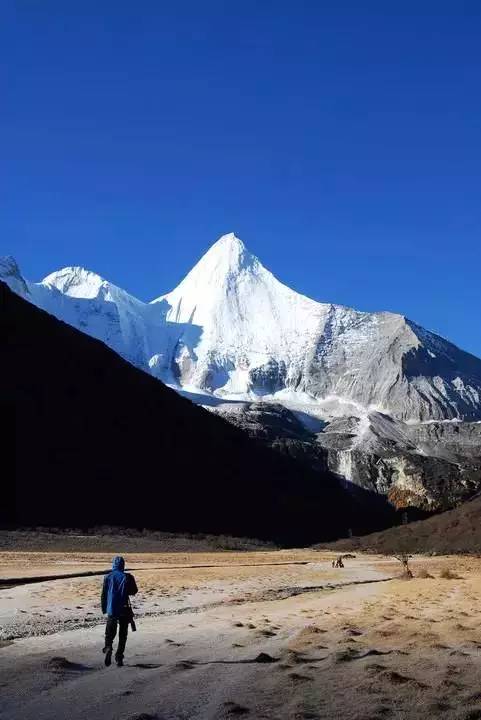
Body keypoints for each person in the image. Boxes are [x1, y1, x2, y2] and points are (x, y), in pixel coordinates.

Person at [101, 556, 138, 667]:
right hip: (124, 608)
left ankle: (108, 648)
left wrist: (104, 608)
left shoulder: (107, 577)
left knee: (109, 632)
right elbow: (134, 591)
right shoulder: (128, 577)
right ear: (123, 565)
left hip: (112, 608)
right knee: (123, 634)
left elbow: (104, 594)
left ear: (113, 565)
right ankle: (119, 657)